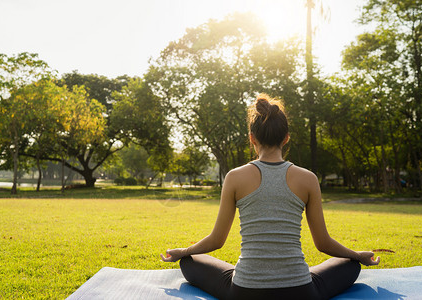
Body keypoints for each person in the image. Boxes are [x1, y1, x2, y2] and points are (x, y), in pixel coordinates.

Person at [160, 94, 380, 300]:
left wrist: (183, 251)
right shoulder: (308, 179)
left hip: (244, 292)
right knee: (351, 264)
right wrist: (358, 255)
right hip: (302, 292)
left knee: (189, 262)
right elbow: (323, 243)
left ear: (252, 138)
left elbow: (217, 241)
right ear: (286, 138)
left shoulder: (234, 177)